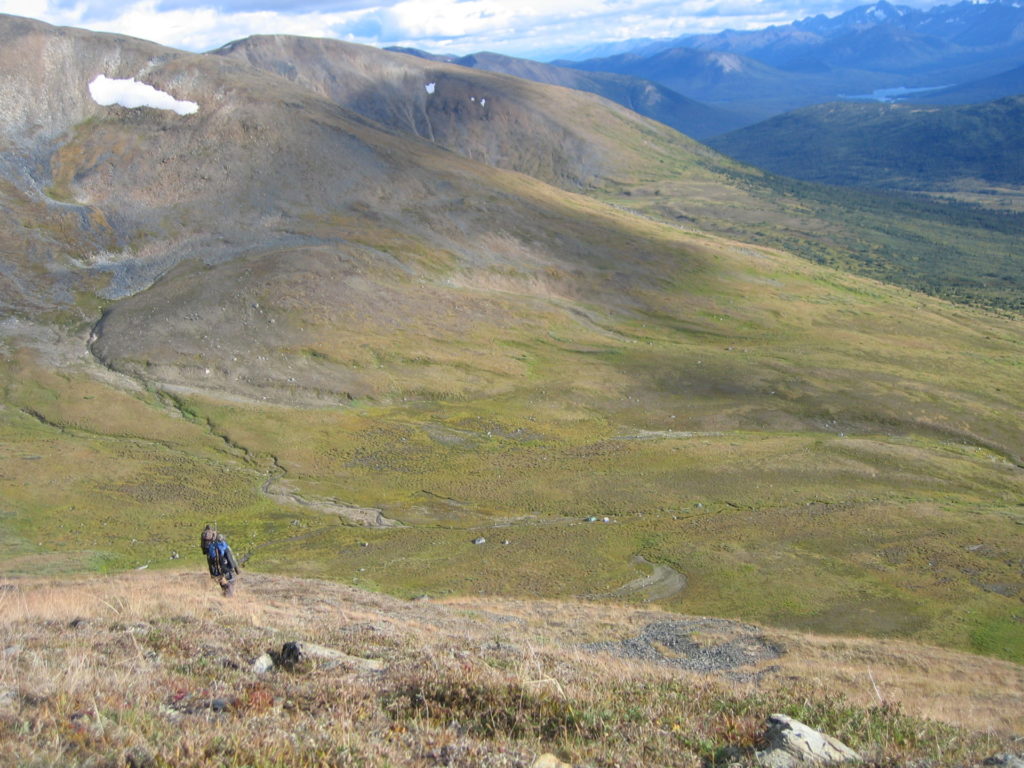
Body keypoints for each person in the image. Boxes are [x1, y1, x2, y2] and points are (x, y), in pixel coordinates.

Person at [205, 531, 241, 596]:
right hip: (226, 570)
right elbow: (231, 559)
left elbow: (210, 563)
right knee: (231, 583)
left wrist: (212, 574)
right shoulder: (224, 546)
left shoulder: (211, 548)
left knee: (223, 584)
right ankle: (228, 598)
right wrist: (236, 570)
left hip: (216, 572)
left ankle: (225, 595)